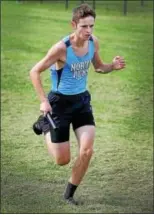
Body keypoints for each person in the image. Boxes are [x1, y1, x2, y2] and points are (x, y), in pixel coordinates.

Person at [30, 3, 125, 205]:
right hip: (59, 104)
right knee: (61, 160)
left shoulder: (93, 43)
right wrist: (43, 101)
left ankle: (69, 194)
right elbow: (34, 71)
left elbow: (99, 67)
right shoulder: (60, 49)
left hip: (82, 101)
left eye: (91, 26)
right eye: (84, 26)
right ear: (74, 24)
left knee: (87, 151)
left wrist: (112, 67)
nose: (88, 31)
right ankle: (44, 123)